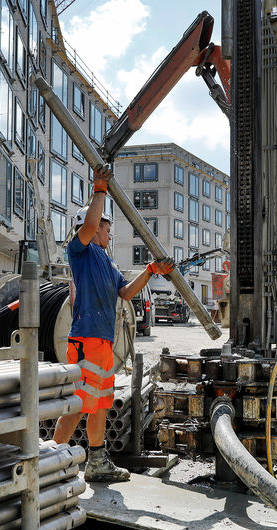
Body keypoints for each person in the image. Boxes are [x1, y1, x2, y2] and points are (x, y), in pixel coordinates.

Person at [52, 165, 174, 482]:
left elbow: (126, 292)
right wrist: (100, 190)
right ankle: (49, 458)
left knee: (99, 405)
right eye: (106, 228)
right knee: (79, 404)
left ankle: (96, 462)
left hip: (102, 344)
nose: (109, 233)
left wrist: (150, 271)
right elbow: (91, 222)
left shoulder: (107, 261)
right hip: (86, 341)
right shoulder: (79, 251)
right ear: (92, 230)